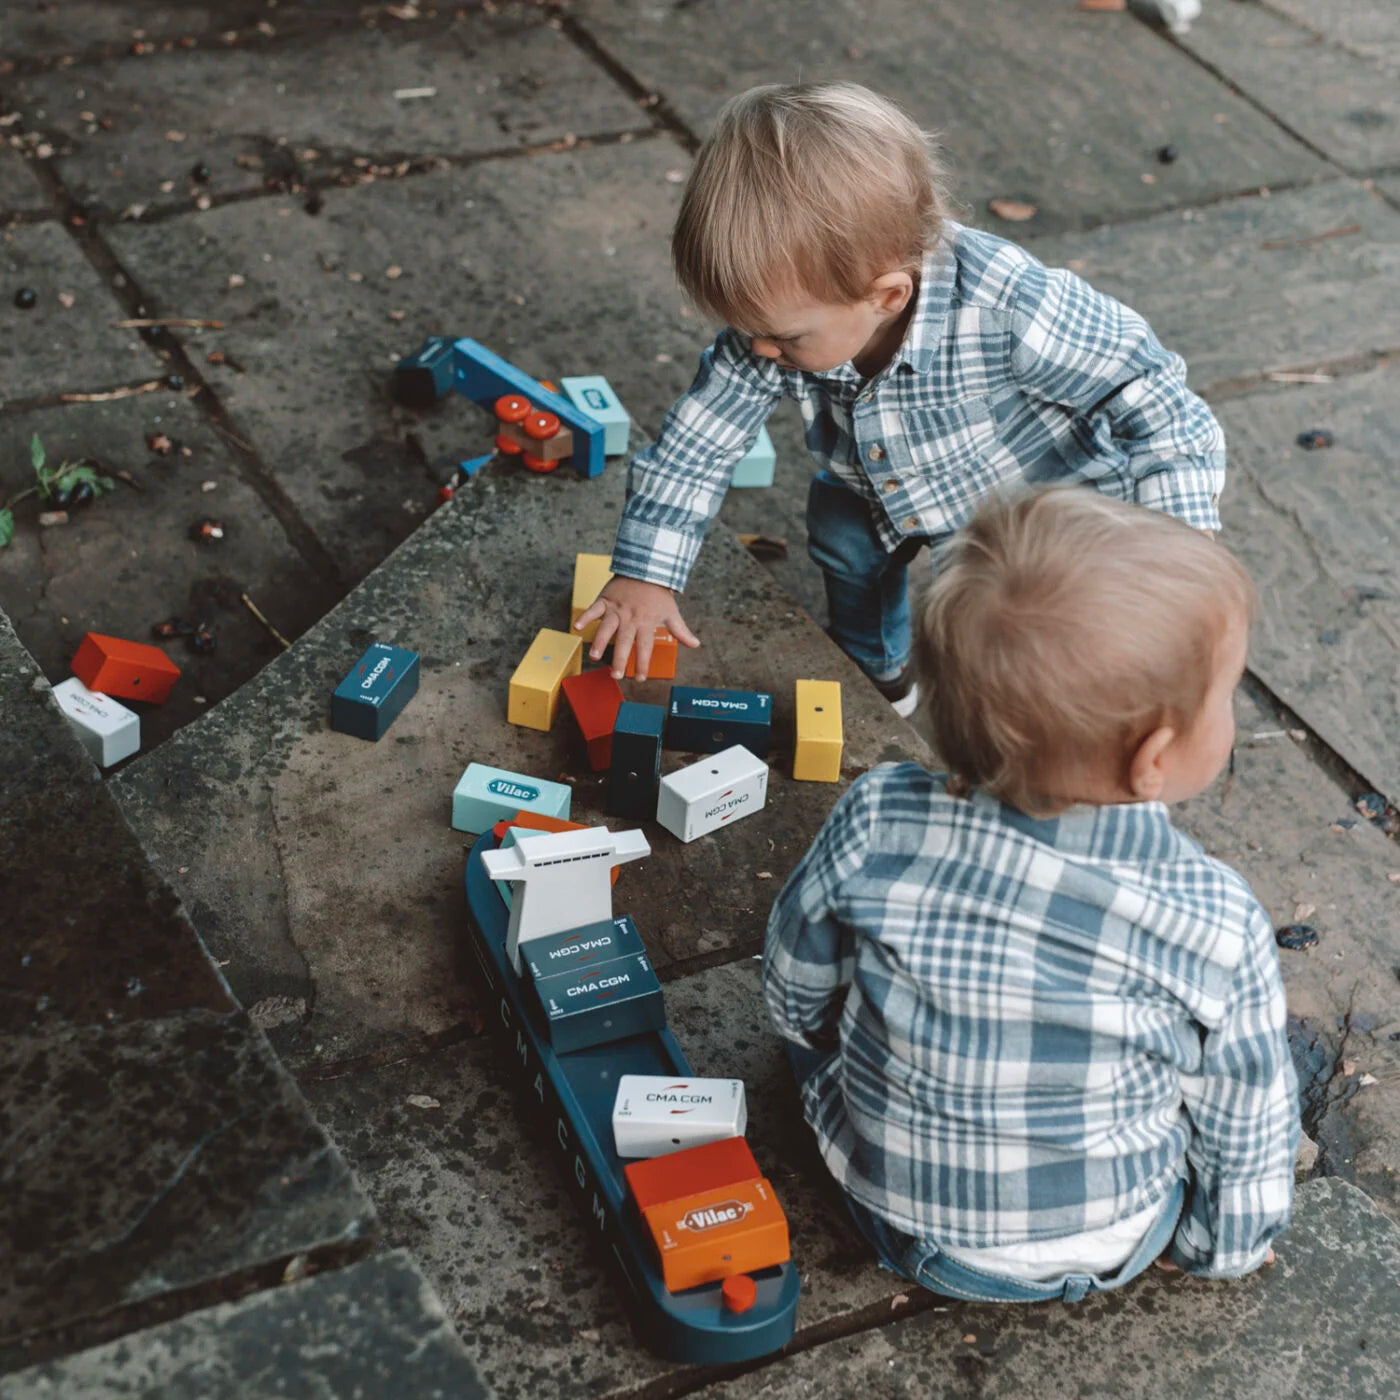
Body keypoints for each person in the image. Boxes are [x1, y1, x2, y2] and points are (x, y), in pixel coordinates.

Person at [762, 487, 1299, 1302]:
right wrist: (1222, 1247)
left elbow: (794, 980)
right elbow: (1248, 1120)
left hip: (895, 1214)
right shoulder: (1214, 921)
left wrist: (815, 1045)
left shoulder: (878, 818)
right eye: (1227, 695)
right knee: (1214, 1082)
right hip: (1110, 1234)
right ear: (1153, 757)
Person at [573, 82, 1225, 715]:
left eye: (783, 337)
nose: (760, 350)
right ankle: (874, 670)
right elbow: (696, 445)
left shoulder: (1010, 305)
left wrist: (1178, 546)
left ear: (886, 296)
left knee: (1011, 644)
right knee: (843, 544)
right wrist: (647, 572)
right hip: (871, 484)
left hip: (1026, 512)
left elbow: (1154, 396)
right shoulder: (778, 324)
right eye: (749, 332)